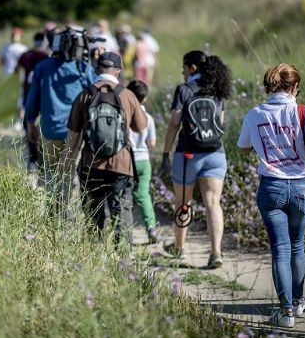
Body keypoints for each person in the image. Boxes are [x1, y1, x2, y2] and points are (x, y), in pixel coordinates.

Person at [237, 63, 305, 328]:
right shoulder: (303, 111)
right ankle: (299, 301)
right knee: (297, 245)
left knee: (280, 249)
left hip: (271, 187)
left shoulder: (255, 113)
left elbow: (243, 147)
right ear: (293, 86)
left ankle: (286, 311)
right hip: (302, 187)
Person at [66, 52, 147, 253]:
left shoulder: (84, 95)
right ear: (118, 71)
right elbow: (141, 126)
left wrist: (67, 163)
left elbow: (73, 135)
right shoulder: (127, 95)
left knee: (93, 212)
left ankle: (95, 257)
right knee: (121, 211)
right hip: (122, 164)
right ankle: (123, 261)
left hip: (90, 163)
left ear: (96, 68)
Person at [159, 51, 232, 268]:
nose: (182, 72)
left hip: (188, 154)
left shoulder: (184, 90)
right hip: (215, 154)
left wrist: (165, 153)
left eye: (184, 68)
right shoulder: (217, 90)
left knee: (183, 203)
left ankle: (179, 249)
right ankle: (216, 252)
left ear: (191, 68)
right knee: (213, 203)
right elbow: (220, 123)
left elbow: (174, 123)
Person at [24, 27, 97, 216]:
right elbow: (96, 95)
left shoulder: (42, 67)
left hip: (49, 129)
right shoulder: (83, 69)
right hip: (75, 132)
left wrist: (30, 124)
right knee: (67, 170)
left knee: (49, 169)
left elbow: (32, 100)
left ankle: (52, 210)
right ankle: (62, 211)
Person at [126, 80, 160, 243]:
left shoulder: (125, 115)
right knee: (143, 194)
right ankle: (151, 228)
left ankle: (124, 230)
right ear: (144, 98)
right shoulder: (149, 118)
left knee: (124, 195)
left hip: (128, 160)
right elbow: (152, 143)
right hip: (144, 160)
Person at [16, 31, 50, 171]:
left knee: (28, 126)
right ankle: (39, 161)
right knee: (40, 130)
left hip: (26, 93)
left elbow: (16, 69)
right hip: (40, 97)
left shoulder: (25, 54)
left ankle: (32, 159)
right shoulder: (45, 57)